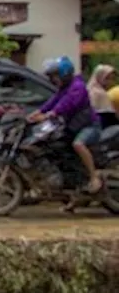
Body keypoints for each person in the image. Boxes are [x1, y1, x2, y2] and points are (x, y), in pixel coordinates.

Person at [28, 56, 101, 195]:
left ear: (64, 73)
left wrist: (49, 114)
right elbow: (52, 101)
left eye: (54, 76)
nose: (52, 79)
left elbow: (67, 104)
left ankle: (94, 176)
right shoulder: (64, 88)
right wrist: (35, 113)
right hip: (74, 126)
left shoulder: (77, 86)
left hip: (90, 126)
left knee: (78, 144)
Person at [88, 64, 117, 129]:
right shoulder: (99, 93)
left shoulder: (90, 89)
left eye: (113, 79)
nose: (111, 82)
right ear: (100, 78)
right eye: (107, 78)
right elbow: (108, 117)